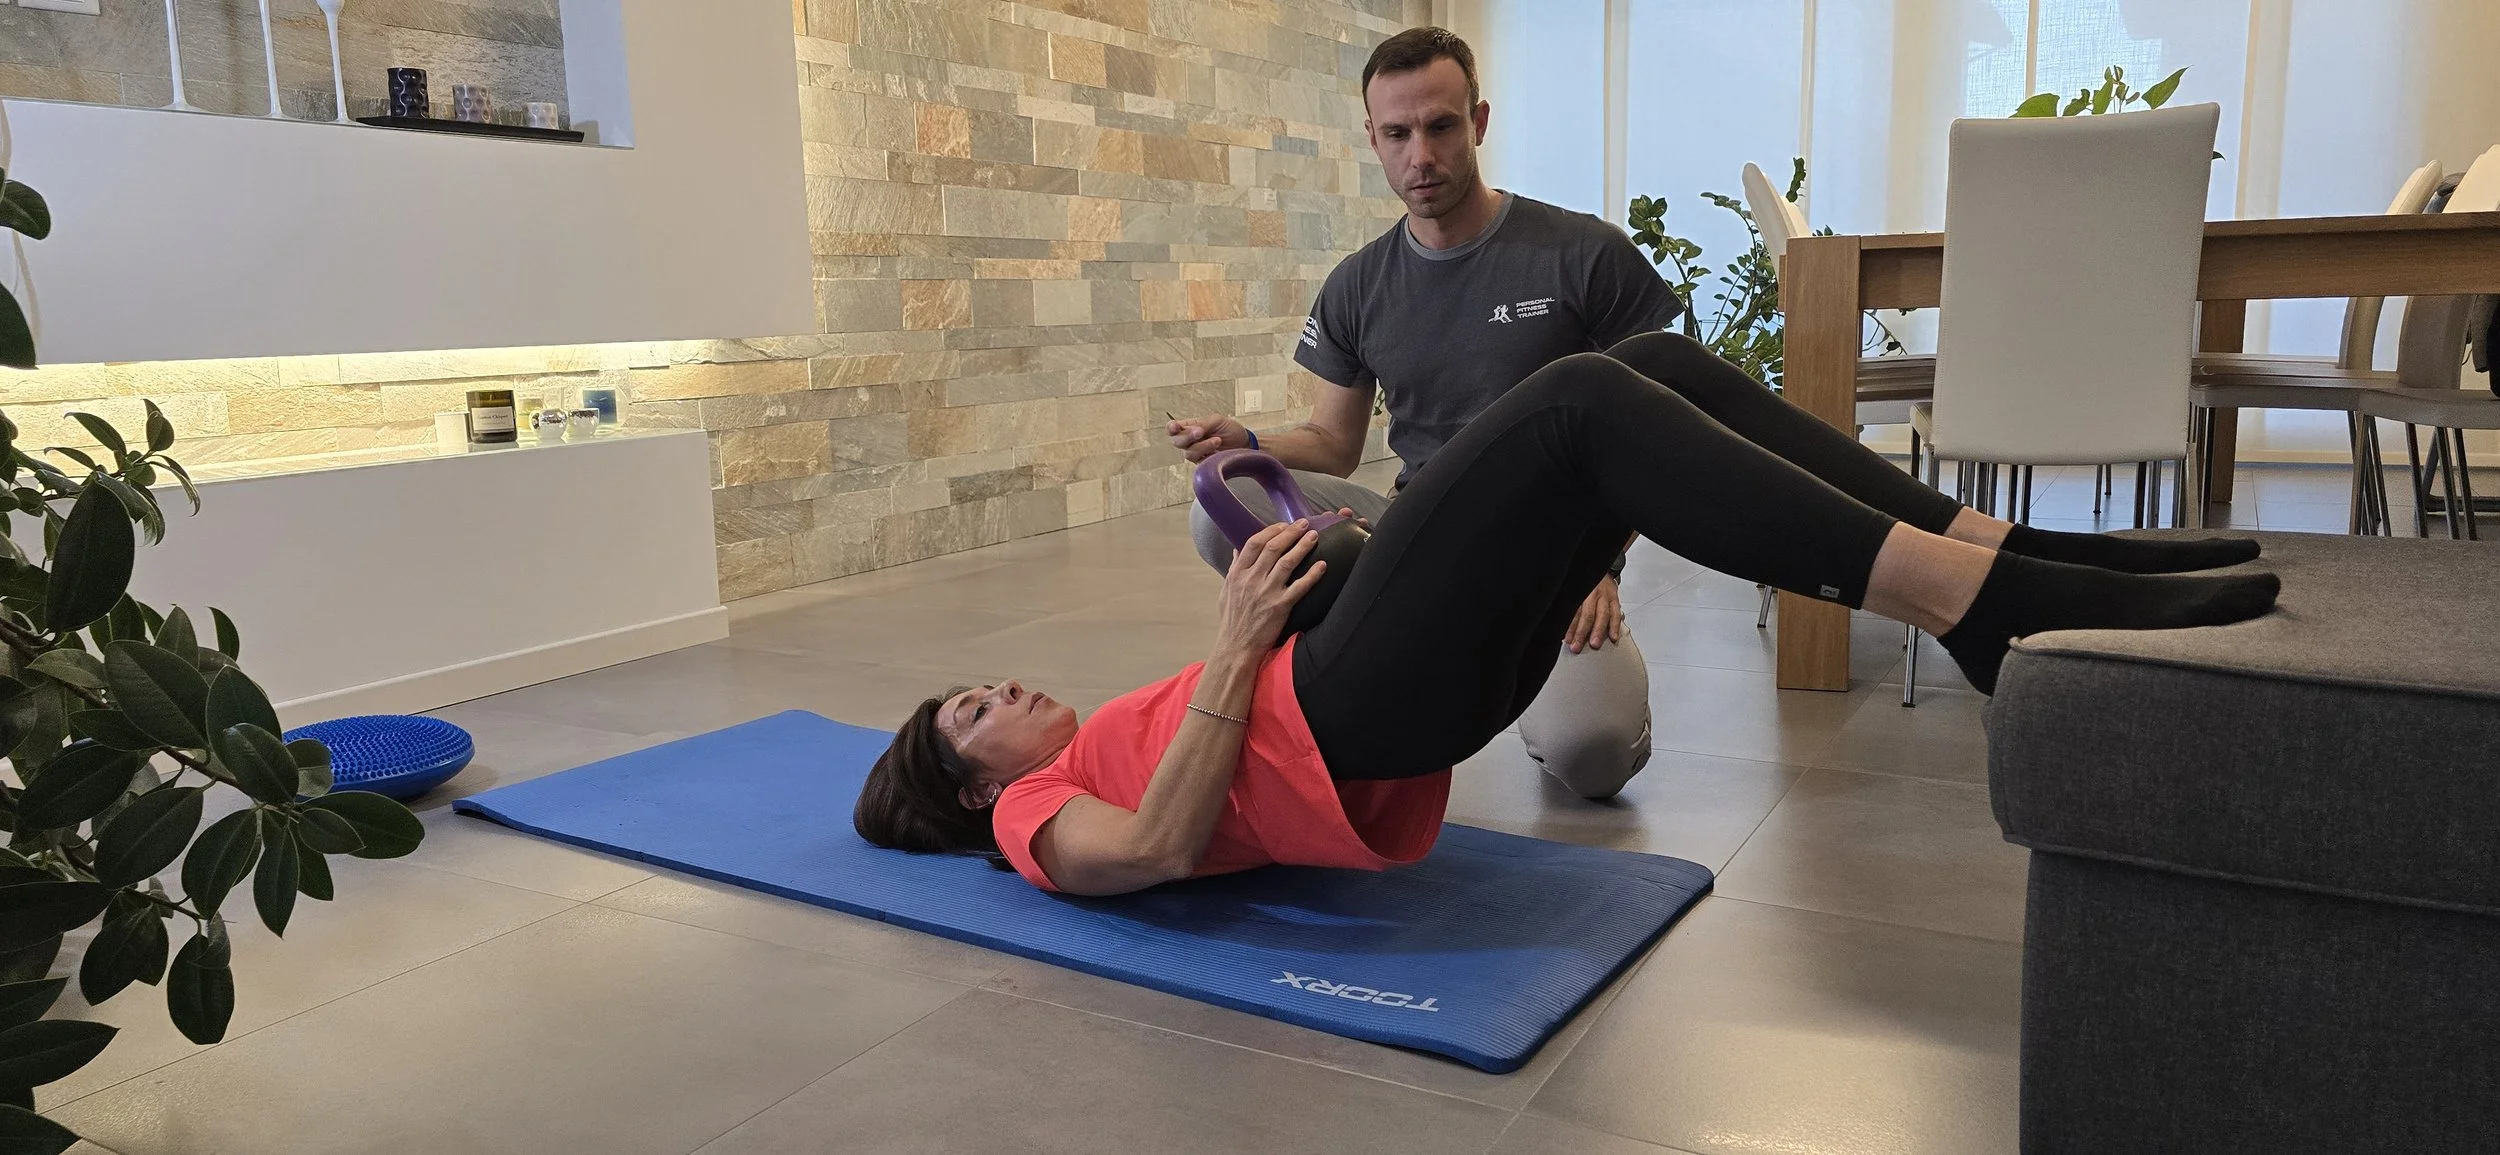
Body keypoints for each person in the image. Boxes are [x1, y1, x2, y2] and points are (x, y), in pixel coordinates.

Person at [857, 333, 2278, 897]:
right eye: (969, 711)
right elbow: (1160, 846)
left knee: (1647, 364)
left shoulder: (1068, 747)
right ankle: (1976, 606)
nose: (998, 691)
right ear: (967, 778)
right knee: (1577, 404)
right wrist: (1237, 642)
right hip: (1359, 710)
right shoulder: (1029, 817)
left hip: (1360, 669)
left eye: (974, 684)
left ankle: (2000, 552)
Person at [1169, 26, 1679, 802]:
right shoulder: (1358, 284)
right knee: (1221, 507)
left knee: (1594, 754)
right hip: (1411, 532)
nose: (1421, 156)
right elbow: (1336, 445)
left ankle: (1529, 689)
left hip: (1552, 558)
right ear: (1371, 138)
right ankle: (1360, 651)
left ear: (1477, 122)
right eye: (1398, 134)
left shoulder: (1582, 254)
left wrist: (1600, 565)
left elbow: (1655, 432)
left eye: (1440, 127)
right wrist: (1247, 439)